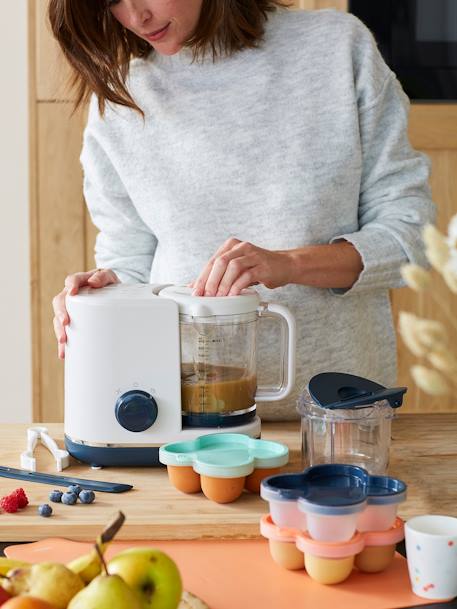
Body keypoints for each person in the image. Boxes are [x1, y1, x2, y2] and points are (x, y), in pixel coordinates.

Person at [50, 0, 435, 420]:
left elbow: (411, 237)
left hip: (340, 423)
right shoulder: (120, 96)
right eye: (111, 1)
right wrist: (108, 293)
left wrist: (288, 264)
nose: (134, 16)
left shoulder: (337, 49)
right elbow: (130, 259)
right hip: (187, 425)